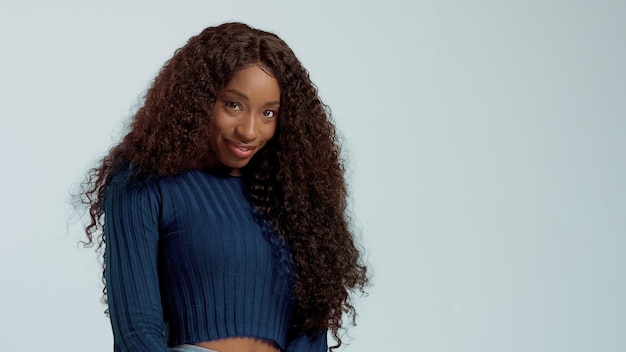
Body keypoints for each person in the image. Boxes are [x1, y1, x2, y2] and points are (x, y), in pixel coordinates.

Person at [81, 22, 368, 352]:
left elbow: (311, 331)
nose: (249, 130)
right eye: (234, 105)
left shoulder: (293, 200)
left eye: (268, 113)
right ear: (200, 100)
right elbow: (136, 331)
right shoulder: (145, 183)